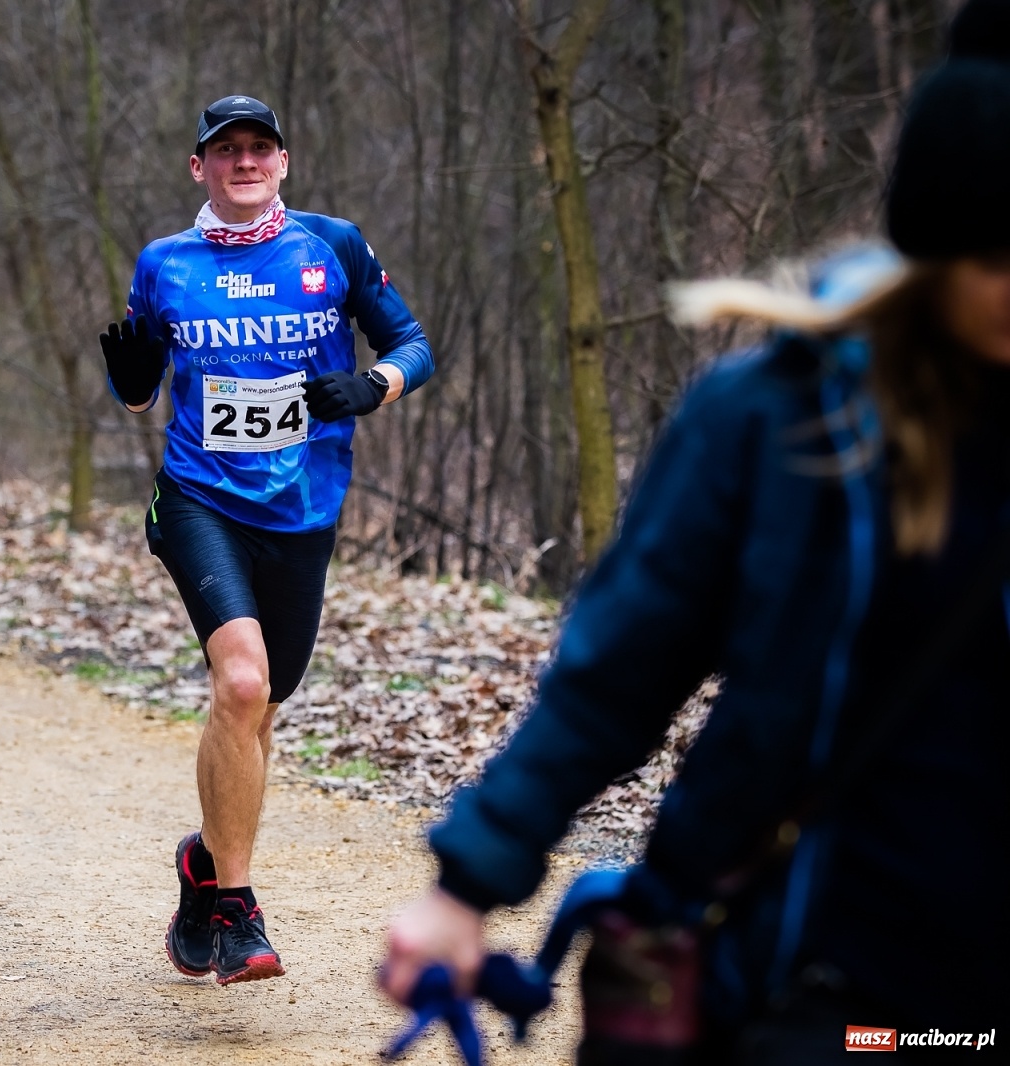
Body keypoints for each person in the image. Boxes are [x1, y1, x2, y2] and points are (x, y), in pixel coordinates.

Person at [381, 1, 1008, 1060]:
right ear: (938, 242)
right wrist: (466, 883)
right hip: (805, 976)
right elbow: (616, 671)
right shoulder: (775, 420)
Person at [99, 95, 435, 986]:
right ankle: (240, 909)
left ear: (282, 162)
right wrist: (132, 383)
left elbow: (414, 343)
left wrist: (376, 387)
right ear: (199, 167)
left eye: (260, 148)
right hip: (200, 499)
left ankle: (203, 865)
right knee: (240, 681)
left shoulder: (334, 246)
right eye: (226, 151)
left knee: (259, 707)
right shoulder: (165, 263)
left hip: (304, 509)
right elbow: (139, 392)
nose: (244, 162)